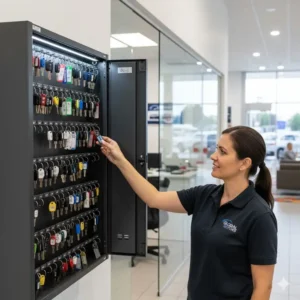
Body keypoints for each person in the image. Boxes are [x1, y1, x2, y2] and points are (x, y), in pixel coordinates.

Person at [98, 125, 277, 300]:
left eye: (223, 152)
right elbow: (153, 198)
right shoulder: (205, 195)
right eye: (217, 149)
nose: (213, 156)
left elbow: (263, 287)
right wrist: (120, 160)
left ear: (244, 163)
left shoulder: (259, 216)